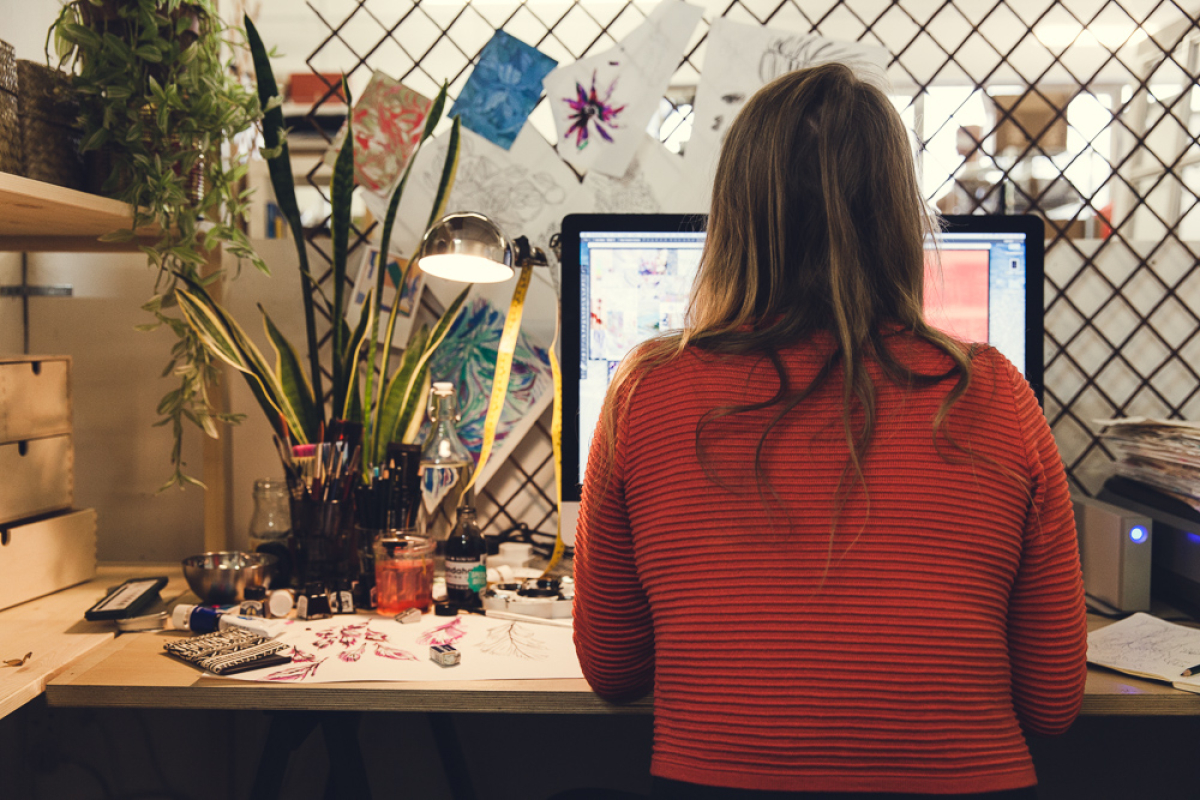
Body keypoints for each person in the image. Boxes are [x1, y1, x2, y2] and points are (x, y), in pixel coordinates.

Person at [569, 63, 1087, 799]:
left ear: (733, 216)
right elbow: (1054, 703)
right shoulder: (996, 393)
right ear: (904, 217)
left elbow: (614, 674)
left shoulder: (647, 392)